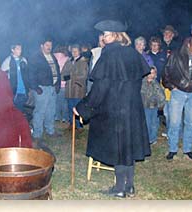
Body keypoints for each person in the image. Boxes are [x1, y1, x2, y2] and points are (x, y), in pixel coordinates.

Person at [73, 20, 151, 198]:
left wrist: (83, 107)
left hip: (115, 109)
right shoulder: (132, 53)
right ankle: (129, 186)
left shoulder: (110, 55)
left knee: (119, 148)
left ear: (116, 35)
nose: (103, 38)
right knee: (128, 146)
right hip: (132, 108)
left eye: (106, 35)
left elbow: (101, 87)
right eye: (102, 35)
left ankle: (120, 188)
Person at [162, 37, 192, 160]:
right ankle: (172, 149)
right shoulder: (176, 55)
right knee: (174, 122)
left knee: (191, 122)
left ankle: (187, 149)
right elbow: (166, 71)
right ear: (188, 45)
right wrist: (170, 86)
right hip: (177, 92)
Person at [28, 38, 61, 140]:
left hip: (52, 88)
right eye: (47, 45)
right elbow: (30, 73)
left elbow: (57, 70)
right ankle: (37, 134)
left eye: (50, 45)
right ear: (41, 46)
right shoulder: (36, 57)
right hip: (42, 88)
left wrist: (57, 84)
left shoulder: (52, 57)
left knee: (51, 110)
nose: (49, 47)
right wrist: (35, 87)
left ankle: (50, 130)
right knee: (40, 111)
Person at [0, 43, 31, 120]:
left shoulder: (23, 60)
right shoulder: (8, 61)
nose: (20, 51)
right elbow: (2, 78)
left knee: (20, 112)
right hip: (13, 92)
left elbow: (27, 75)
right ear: (12, 50)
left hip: (23, 91)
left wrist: (28, 88)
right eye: (18, 49)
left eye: (21, 49)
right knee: (13, 113)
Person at [61, 44, 88, 131]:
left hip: (78, 89)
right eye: (72, 51)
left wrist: (71, 76)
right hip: (69, 89)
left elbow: (83, 76)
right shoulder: (68, 61)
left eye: (76, 51)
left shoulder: (83, 62)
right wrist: (70, 76)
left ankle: (79, 126)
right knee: (70, 107)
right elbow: (63, 75)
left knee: (78, 107)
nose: (74, 53)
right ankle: (72, 124)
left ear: (79, 51)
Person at [141, 66, 166, 145]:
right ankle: (147, 138)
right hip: (145, 107)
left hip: (154, 107)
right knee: (147, 123)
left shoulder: (156, 84)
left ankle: (153, 138)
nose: (151, 75)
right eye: (150, 73)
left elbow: (161, 95)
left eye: (153, 73)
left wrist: (161, 104)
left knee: (154, 123)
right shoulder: (142, 83)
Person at [53, 45, 70, 123]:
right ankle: (64, 117)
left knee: (56, 101)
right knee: (64, 101)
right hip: (64, 83)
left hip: (55, 83)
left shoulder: (53, 57)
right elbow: (68, 72)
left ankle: (57, 116)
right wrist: (66, 80)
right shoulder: (67, 59)